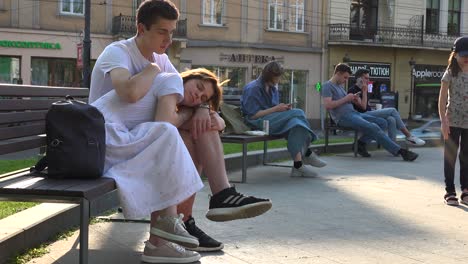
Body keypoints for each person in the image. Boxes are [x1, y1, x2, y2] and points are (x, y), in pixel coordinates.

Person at [89, 1, 272, 262]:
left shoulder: (162, 60)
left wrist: (201, 110)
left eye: (172, 32)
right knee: (176, 134)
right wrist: (154, 72)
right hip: (104, 142)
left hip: (136, 137)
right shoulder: (119, 52)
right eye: (162, 32)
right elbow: (132, 95)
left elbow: (191, 103)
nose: (168, 39)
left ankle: (191, 216)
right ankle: (179, 223)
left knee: (192, 130)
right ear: (141, 28)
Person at [241, 61, 327, 177]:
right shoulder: (253, 88)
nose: (280, 79)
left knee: (296, 124)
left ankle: (298, 166)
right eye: (278, 76)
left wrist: (282, 109)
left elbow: (274, 109)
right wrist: (276, 109)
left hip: (271, 120)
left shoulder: (272, 88)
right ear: (270, 76)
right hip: (256, 123)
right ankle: (307, 152)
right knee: (299, 112)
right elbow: (252, 115)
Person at [321, 63, 419, 161]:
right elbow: (328, 105)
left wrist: (352, 99)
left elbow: (349, 103)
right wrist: (346, 98)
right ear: (338, 73)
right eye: (345, 77)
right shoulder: (327, 86)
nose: (345, 80)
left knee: (383, 122)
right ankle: (400, 151)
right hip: (343, 117)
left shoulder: (340, 86)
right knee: (373, 126)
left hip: (354, 113)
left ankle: (360, 144)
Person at [348, 69, 425, 157]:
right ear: (359, 79)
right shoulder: (352, 90)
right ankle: (409, 136)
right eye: (366, 78)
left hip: (369, 113)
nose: (368, 81)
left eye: (368, 78)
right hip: (360, 116)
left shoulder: (364, 89)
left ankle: (394, 148)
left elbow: (367, 106)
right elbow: (363, 107)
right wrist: (364, 91)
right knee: (392, 110)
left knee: (391, 119)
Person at [439, 36, 468, 206]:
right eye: (463, 55)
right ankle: (450, 191)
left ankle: (465, 190)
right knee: (450, 158)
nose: (466, 58)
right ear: (455, 54)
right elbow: (442, 99)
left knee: (466, 157)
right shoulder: (450, 73)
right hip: (452, 122)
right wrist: (443, 120)